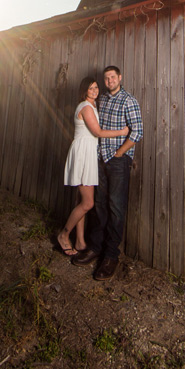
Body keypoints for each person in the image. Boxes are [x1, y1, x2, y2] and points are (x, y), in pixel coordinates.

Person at [71, 65, 143, 280]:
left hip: (117, 162)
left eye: (113, 77)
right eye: (107, 78)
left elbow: (137, 131)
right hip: (100, 159)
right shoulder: (101, 99)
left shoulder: (128, 100)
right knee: (100, 205)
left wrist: (120, 152)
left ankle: (111, 255)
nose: (110, 80)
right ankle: (95, 247)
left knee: (116, 207)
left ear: (120, 77)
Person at [57, 77, 129, 256]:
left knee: (81, 201)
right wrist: (121, 132)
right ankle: (64, 235)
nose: (95, 90)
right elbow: (97, 132)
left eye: (96, 87)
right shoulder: (86, 106)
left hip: (89, 152)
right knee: (88, 203)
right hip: (83, 152)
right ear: (84, 91)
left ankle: (80, 242)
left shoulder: (93, 105)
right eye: (91, 88)